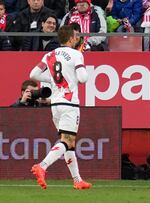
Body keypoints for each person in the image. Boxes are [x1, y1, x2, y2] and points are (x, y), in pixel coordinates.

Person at [29, 25, 91, 190]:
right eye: (76, 35)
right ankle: (42, 165)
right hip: (70, 103)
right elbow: (83, 78)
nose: (78, 37)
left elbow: (33, 75)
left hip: (55, 104)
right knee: (67, 141)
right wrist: (80, 70)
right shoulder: (77, 54)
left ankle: (77, 180)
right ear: (71, 38)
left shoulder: (49, 54)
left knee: (69, 144)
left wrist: (53, 80)